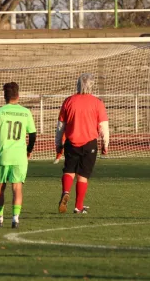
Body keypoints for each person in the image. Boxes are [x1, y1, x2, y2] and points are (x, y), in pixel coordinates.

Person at [55, 73, 109, 214]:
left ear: (77, 85)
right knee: (83, 175)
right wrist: (105, 145)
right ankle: (78, 206)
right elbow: (103, 127)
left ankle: (66, 191)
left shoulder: (68, 101)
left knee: (69, 170)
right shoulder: (97, 103)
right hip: (89, 144)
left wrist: (58, 144)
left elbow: (60, 126)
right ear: (92, 85)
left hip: (71, 143)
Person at [0, 82, 36, 229]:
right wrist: (29, 150)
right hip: (19, 156)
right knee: (17, 188)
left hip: (3, 156)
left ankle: (0, 218)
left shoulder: (0, 112)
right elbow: (33, 135)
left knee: (0, 188)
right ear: (18, 95)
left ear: (5, 96)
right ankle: (15, 219)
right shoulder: (26, 112)